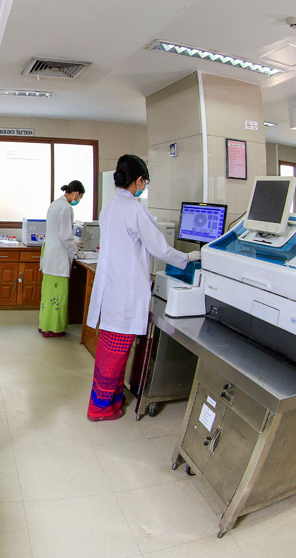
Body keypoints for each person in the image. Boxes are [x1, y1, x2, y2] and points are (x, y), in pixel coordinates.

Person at [84, 155, 200, 421]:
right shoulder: (134, 210)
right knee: (115, 355)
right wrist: (188, 258)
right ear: (138, 180)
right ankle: (99, 408)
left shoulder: (109, 207)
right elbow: (160, 248)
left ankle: (112, 399)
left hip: (112, 291)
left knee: (110, 352)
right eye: (144, 181)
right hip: (125, 294)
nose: (144, 186)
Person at [38, 180, 85, 337]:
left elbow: (58, 232)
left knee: (48, 293)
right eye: (80, 197)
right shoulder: (65, 207)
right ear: (76, 193)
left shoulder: (55, 204)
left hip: (50, 253)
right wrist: (75, 250)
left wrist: (74, 244)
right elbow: (65, 236)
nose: (78, 200)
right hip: (58, 257)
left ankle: (44, 325)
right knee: (58, 295)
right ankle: (53, 329)